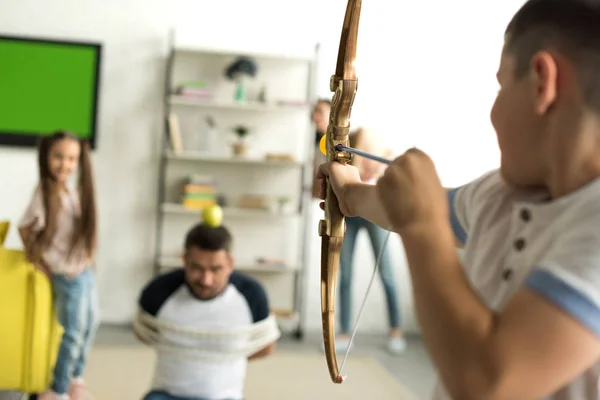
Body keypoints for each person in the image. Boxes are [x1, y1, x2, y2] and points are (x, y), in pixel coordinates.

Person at [316, 0, 600, 398]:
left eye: (502, 85)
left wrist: (421, 226)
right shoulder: (501, 193)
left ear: (541, 82)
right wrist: (347, 192)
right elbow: (405, 208)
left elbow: (488, 384)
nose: (494, 110)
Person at [134, 223, 280, 400]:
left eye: (215, 269)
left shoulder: (252, 296)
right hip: (166, 394)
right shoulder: (158, 292)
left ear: (230, 264)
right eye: (197, 268)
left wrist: (223, 358)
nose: (206, 280)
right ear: (184, 261)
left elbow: (266, 347)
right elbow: (144, 333)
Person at [311, 99, 406, 354]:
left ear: (333, 113)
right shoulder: (322, 146)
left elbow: (381, 161)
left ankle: (395, 330)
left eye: (319, 113)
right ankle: (342, 333)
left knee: (386, 273)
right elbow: (318, 188)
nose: (315, 119)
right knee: (344, 274)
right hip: (349, 213)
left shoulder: (360, 136)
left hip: (373, 206)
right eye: (313, 115)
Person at [18, 131, 99, 400]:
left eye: (71, 159)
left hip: (85, 271)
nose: (64, 164)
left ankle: (76, 375)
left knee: (91, 324)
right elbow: (26, 227)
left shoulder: (73, 192)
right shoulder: (44, 193)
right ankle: (59, 388)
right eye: (58, 156)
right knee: (73, 333)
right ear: (46, 157)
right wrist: (37, 259)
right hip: (67, 276)